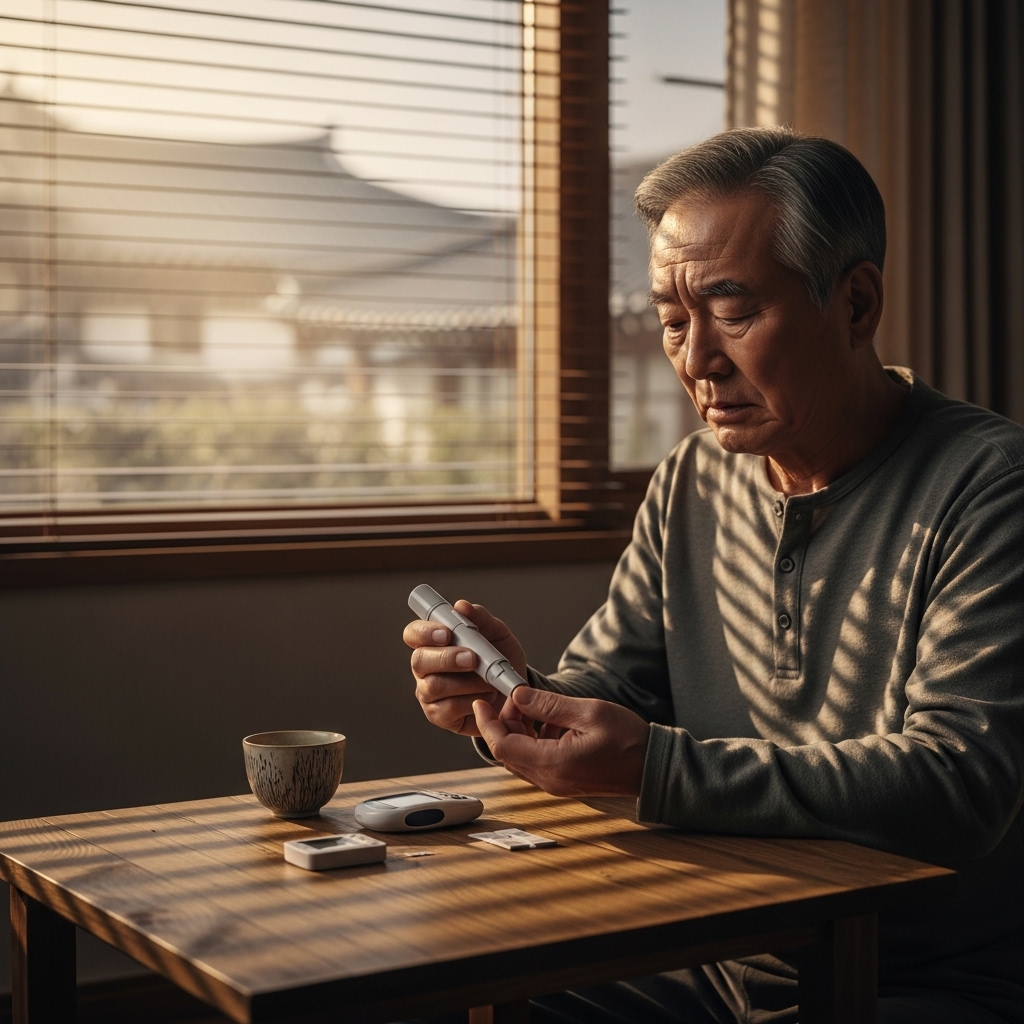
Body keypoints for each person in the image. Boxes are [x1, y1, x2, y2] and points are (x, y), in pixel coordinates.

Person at [403, 127, 1023, 1024]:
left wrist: (653, 766)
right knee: (463, 991)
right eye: (671, 321)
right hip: (713, 953)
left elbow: (955, 786)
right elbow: (614, 686)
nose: (695, 360)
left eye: (732, 313)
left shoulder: (990, 485)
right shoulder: (694, 478)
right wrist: (514, 697)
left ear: (855, 305)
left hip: (925, 977)